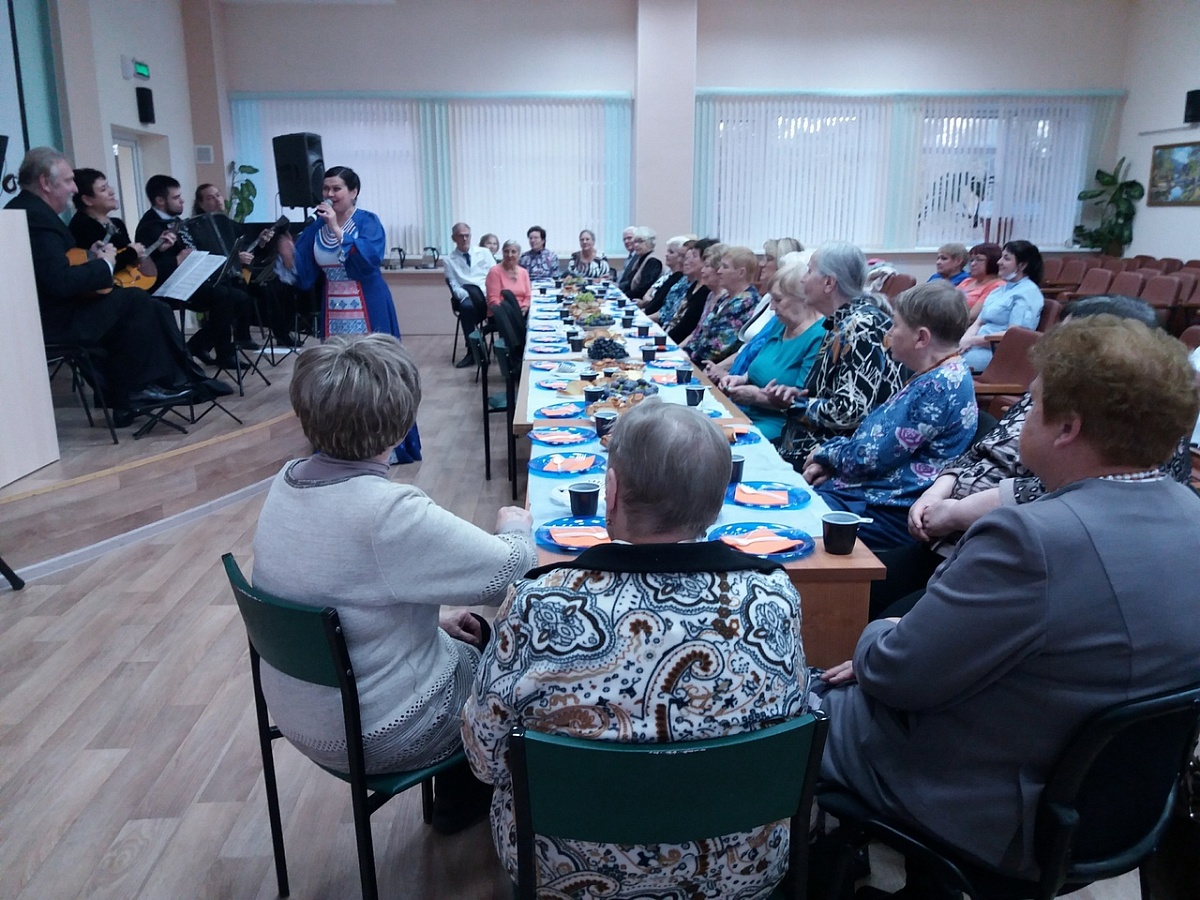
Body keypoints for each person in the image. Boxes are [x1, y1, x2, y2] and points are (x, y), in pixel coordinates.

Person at [817, 314, 1200, 895]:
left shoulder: (1030, 538)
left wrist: (883, 628)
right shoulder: (1190, 513)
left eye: (1033, 403)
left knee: (800, 695)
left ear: (1067, 427)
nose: (1021, 418)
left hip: (995, 806)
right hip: (1121, 805)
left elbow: (898, 675)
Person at [462, 400, 807, 898]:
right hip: (737, 868)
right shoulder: (773, 597)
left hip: (567, 871)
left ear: (612, 491)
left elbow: (484, 759)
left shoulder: (541, 603)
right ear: (717, 504)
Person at [252, 333, 536, 833]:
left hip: (298, 710)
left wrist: (431, 617)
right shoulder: (385, 513)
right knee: (510, 657)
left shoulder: (288, 479)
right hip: (372, 732)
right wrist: (515, 524)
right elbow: (512, 573)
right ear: (402, 423)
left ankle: (459, 797)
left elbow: (338, 591)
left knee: (466, 631)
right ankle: (475, 798)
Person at [875, 295, 1193, 617]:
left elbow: (1059, 497)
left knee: (881, 615)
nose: (1057, 353)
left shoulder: (1127, 440)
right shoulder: (1050, 392)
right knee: (866, 590)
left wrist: (957, 512)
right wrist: (938, 490)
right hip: (946, 539)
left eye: (1073, 341)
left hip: (990, 553)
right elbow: (983, 448)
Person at [5, 148, 203, 424]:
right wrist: (105, 265)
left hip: (54, 311)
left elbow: (54, 267)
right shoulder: (36, 218)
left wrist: (91, 257)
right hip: (53, 319)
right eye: (68, 181)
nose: (74, 188)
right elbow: (58, 281)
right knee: (134, 301)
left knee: (137, 303)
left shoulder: (30, 211)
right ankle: (136, 390)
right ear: (45, 183)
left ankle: (136, 391)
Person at [801, 281, 978, 550]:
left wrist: (823, 453)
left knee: (786, 519)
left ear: (921, 338)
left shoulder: (937, 387)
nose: (889, 333)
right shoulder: (939, 374)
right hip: (870, 494)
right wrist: (835, 467)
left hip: (886, 509)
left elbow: (868, 458)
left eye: (895, 325)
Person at [278, 165, 421, 463]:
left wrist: (336, 229)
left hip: (369, 303)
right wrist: (288, 254)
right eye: (326, 189)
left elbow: (369, 259)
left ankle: (384, 441)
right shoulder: (315, 228)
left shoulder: (367, 222)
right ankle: (341, 441)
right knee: (338, 374)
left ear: (353, 192)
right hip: (334, 308)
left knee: (378, 370)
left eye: (337, 189)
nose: (330, 194)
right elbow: (304, 273)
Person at [770, 242, 904, 467]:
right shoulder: (842, 322)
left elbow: (850, 411)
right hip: (811, 444)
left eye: (809, 271)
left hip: (831, 453)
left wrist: (794, 404)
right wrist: (799, 396)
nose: (803, 280)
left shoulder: (861, 327)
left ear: (829, 283)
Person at [135, 174, 248, 370]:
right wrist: (176, 260)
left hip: (190, 280)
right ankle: (223, 354)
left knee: (238, 295)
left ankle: (198, 345)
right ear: (160, 201)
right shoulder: (149, 227)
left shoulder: (179, 222)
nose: (182, 201)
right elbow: (145, 268)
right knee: (224, 296)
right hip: (168, 286)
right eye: (176, 197)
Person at [714, 260, 826, 442]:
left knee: (713, 442)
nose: (772, 307)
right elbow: (761, 365)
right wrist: (741, 379)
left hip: (780, 424)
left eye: (778, 300)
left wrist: (756, 397)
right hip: (746, 412)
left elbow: (801, 402)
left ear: (803, 299)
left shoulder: (819, 336)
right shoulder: (780, 323)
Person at [960, 239, 1045, 373]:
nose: (999, 262)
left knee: (943, 365)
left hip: (996, 353)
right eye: (1001, 257)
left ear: (1022, 265)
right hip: (975, 345)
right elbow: (979, 322)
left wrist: (972, 341)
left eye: (1006, 258)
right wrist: (965, 340)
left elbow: (1015, 336)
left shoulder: (1028, 293)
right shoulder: (999, 290)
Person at [443, 221, 493, 368]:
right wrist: (471, 294)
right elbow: (454, 285)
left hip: (487, 293)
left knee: (503, 304)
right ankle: (473, 350)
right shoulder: (448, 260)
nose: (464, 239)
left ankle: (506, 349)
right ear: (453, 238)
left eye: (467, 235)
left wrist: (485, 293)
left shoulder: (484, 253)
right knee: (466, 307)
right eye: (460, 236)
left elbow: (494, 275)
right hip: (467, 296)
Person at [660, 238, 716, 343]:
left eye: (694, 256)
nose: (687, 261)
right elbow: (677, 317)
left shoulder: (707, 291)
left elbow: (689, 327)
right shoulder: (694, 285)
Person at [639, 233, 693, 316]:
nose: (666, 255)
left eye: (671, 252)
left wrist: (644, 312)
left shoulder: (680, 278)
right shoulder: (669, 274)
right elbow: (651, 291)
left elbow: (662, 305)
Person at [956, 241, 1004, 317]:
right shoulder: (968, 281)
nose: (972, 264)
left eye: (979, 260)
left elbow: (972, 316)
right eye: (972, 260)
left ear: (993, 261)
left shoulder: (997, 286)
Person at [485, 239, 531, 312]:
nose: (509, 255)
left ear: (519, 254)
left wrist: (525, 307)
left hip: (522, 311)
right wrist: (509, 312)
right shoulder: (494, 271)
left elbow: (528, 296)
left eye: (513, 252)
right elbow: (493, 299)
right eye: (506, 251)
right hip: (501, 313)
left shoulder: (524, 272)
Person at [622, 226, 663, 301]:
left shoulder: (653, 261)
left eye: (640, 241)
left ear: (649, 243)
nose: (636, 245)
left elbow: (644, 288)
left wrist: (624, 295)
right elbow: (630, 283)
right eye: (635, 242)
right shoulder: (640, 259)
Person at [615, 225, 638, 293]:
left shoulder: (639, 257)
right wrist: (612, 279)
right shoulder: (629, 257)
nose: (626, 241)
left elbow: (634, 281)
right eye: (624, 239)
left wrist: (618, 285)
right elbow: (624, 277)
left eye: (629, 238)